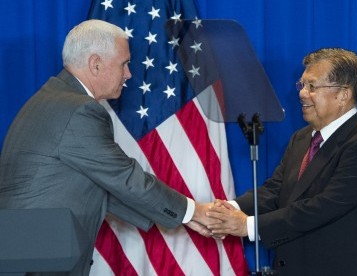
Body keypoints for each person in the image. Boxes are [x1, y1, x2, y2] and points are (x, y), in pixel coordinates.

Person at [0, 19, 214, 275]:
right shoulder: (79, 110)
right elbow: (125, 179)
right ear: (96, 63)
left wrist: (182, 218)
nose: (129, 74)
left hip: (29, 252)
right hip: (38, 262)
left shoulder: (52, 98)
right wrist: (193, 211)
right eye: (124, 63)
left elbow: (103, 187)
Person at [207, 48, 357, 275]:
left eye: (312, 87)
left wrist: (248, 226)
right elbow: (274, 191)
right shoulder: (302, 138)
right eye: (301, 85)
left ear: (343, 94)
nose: (302, 94)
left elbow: (321, 208)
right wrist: (227, 210)